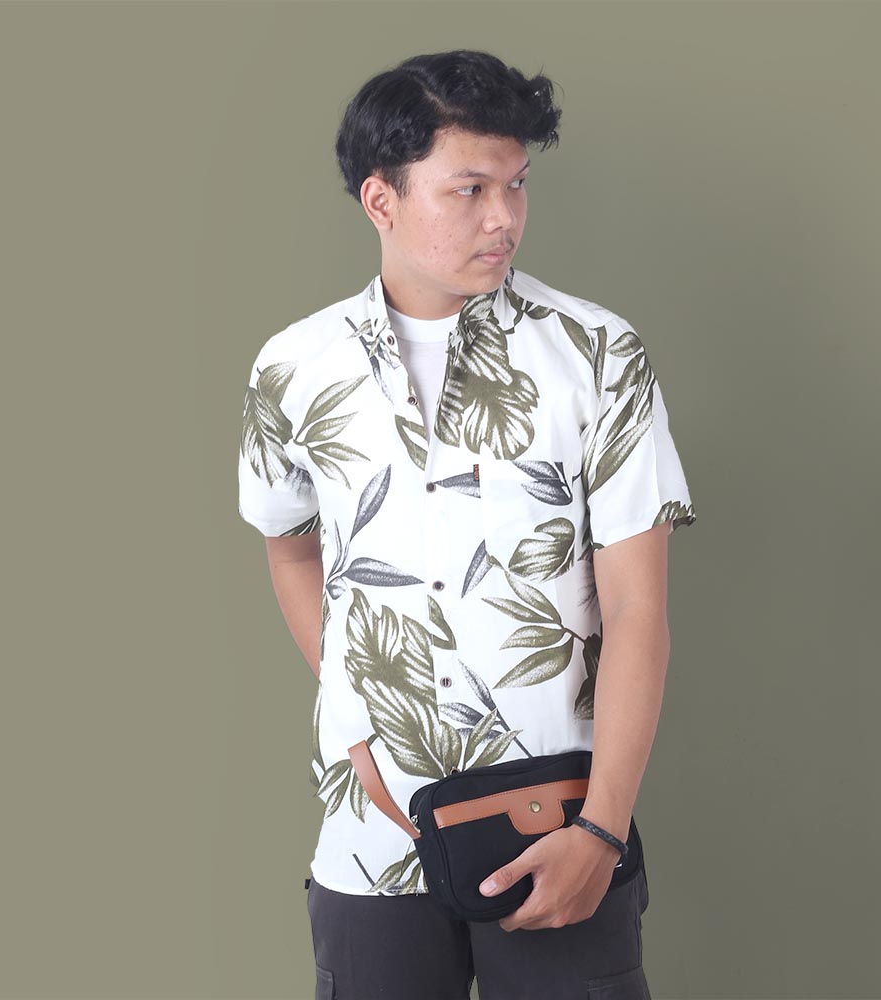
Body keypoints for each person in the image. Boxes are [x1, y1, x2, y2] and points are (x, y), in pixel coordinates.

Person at [238, 48, 697, 1000]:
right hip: (372, 838)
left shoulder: (599, 355)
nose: (505, 218)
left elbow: (638, 609)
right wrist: (357, 702)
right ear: (382, 200)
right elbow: (290, 549)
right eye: (470, 189)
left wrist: (603, 832)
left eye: (517, 184)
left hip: (560, 826)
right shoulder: (294, 368)